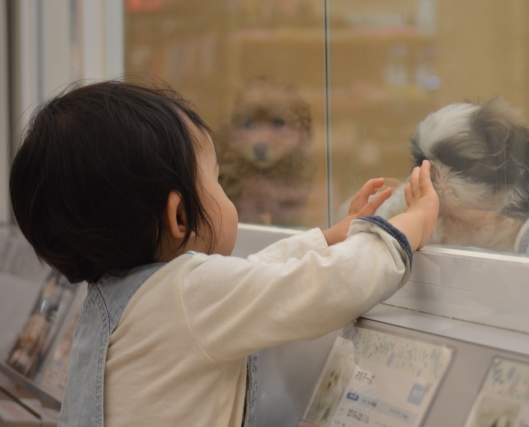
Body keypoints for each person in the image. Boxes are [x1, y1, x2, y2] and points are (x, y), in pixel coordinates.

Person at [9, 81, 439, 427]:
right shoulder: (187, 295)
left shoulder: (118, 300)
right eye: (216, 181)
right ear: (179, 217)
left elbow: (246, 278)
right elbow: (326, 288)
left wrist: (325, 240)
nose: (225, 192)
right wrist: (404, 227)